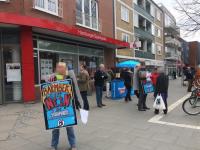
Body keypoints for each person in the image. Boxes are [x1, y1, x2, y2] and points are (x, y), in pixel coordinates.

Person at [49, 62, 81, 150]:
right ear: (56, 68)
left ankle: (73, 145)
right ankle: (53, 145)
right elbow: (47, 91)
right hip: (56, 107)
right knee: (55, 128)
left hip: (67, 106)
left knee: (69, 127)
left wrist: (77, 103)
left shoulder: (69, 79)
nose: (60, 69)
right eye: (59, 67)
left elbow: (73, 91)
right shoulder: (52, 78)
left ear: (65, 69)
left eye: (62, 67)